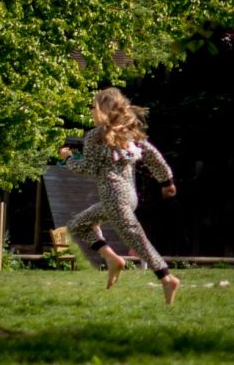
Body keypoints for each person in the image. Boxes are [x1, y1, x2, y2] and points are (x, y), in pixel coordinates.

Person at [59, 87, 181, 305]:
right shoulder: (129, 133)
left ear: (102, 109)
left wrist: (67, 158)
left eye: (93, 107)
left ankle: (167, 278)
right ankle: (113, 260)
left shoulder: (95, 137)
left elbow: (88, 168)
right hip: (127, 197)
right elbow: (152, 155)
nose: (91, 111)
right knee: (78, 225)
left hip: (114, 198)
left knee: (138, 240)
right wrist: (167, 181)